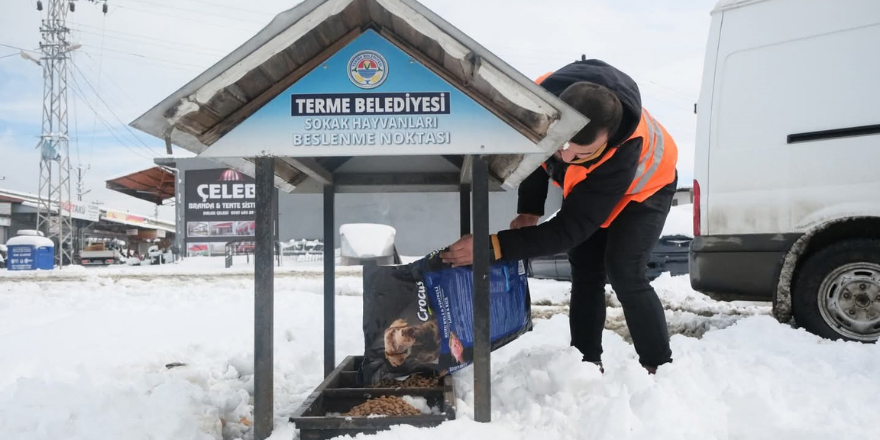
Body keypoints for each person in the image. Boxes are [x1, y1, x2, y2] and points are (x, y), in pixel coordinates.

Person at [440, 59, 679, 374]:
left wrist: (493, 246)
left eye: (580, 153)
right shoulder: (538, 101)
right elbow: (535, 156)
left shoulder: (625, 152)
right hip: (591, 189)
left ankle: (658, 366)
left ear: (608, 139)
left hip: (644, 192)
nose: (565, 157)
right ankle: (585, 364)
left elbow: (572, 228)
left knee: (624, 271)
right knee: (585, 269)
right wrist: (530, 209)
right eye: (563, 144)